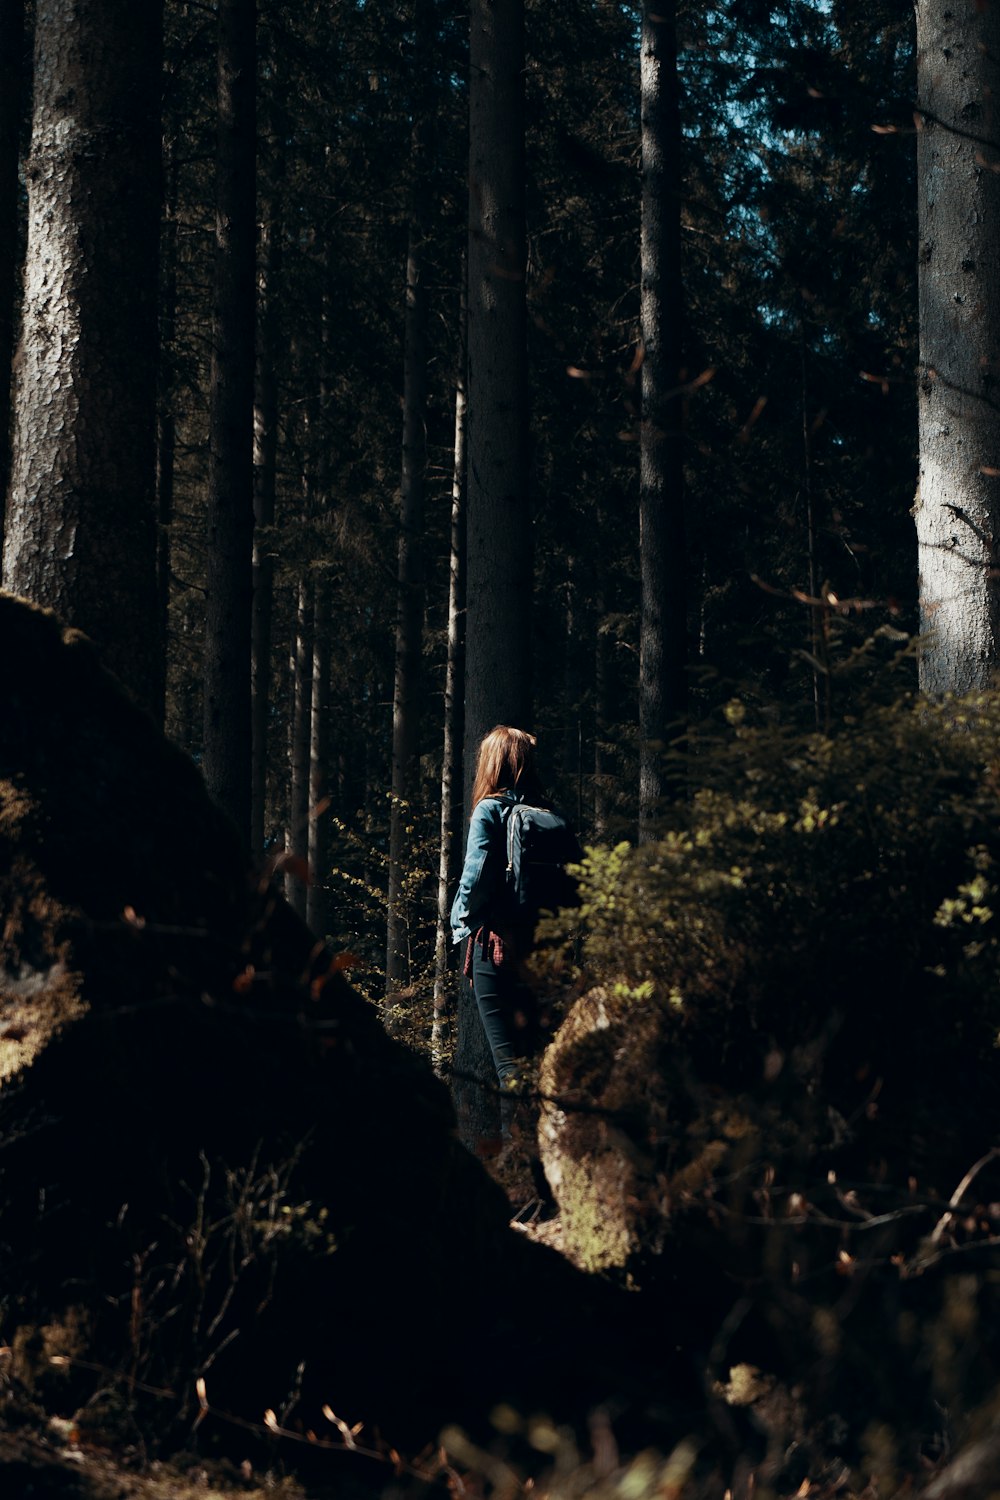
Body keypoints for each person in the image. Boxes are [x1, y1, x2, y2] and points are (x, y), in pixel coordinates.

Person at [450, 725, 546, 1092]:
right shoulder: (547, 811)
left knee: (509, 1070)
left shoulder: (490, 809)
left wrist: (463, 923)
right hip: (544, 949)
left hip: (497, 948)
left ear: (492, 763)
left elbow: (474, 879)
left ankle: (517, 1150)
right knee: (537, 1061)